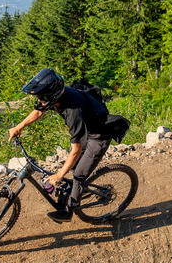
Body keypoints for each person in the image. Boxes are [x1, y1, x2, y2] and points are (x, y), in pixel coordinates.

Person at [8, 68, 110, 223]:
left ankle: (69, 211)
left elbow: (76, 150)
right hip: (86, 126)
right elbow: (39, 111)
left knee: (79, 174)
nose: (39, 100)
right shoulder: (56, 95)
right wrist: (19, 127)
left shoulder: (73, 112)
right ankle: (78, 190)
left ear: (52, 95)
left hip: (99, 133)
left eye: (41, 97)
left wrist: (59, 175)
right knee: (75, 167)